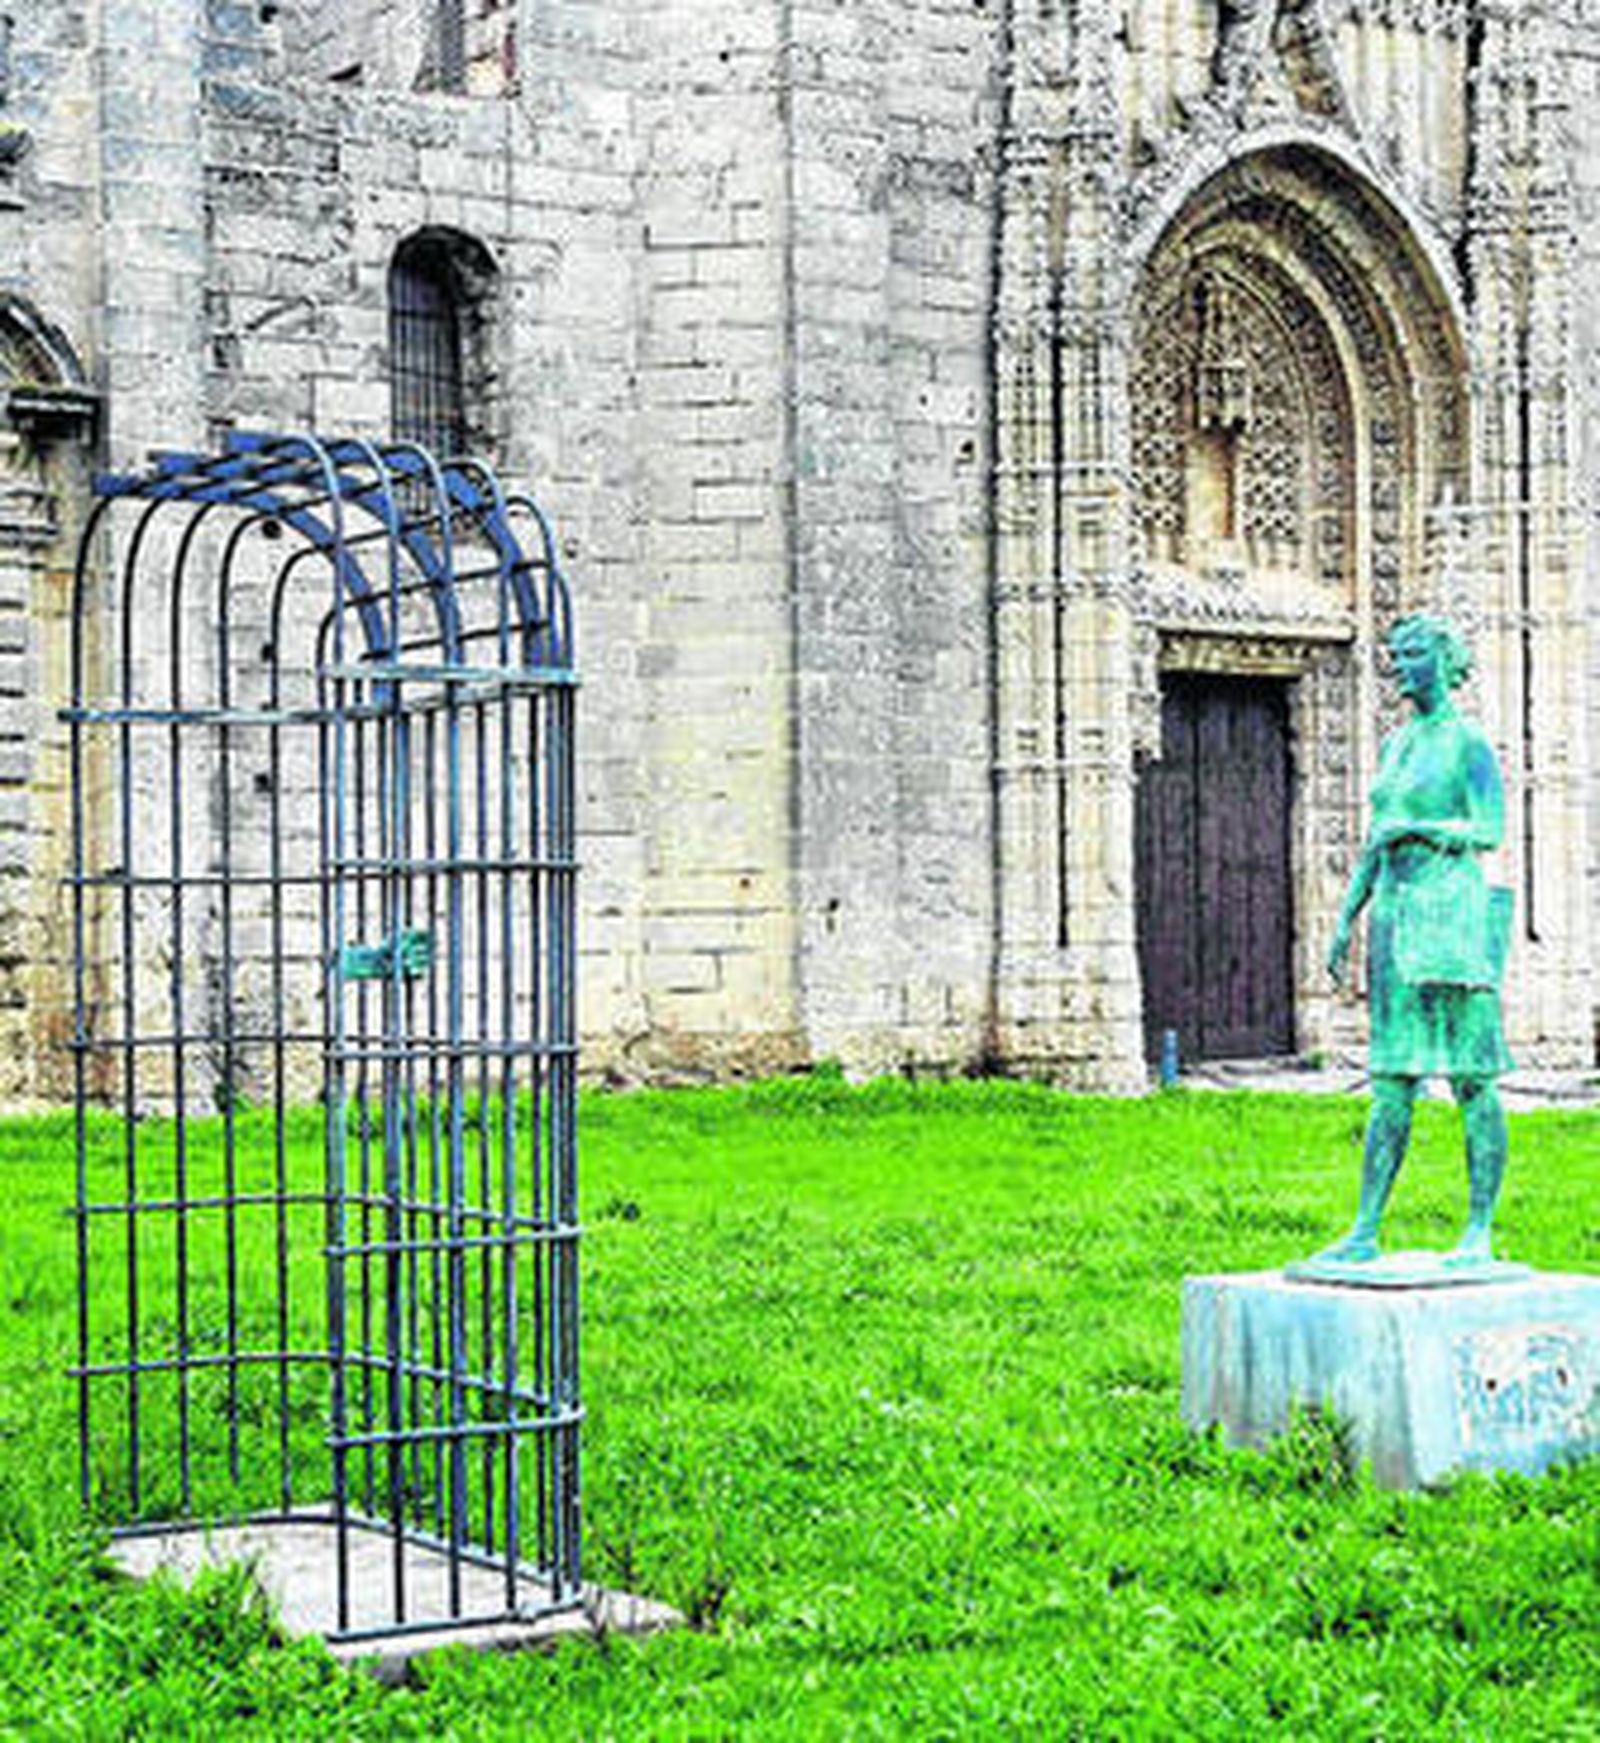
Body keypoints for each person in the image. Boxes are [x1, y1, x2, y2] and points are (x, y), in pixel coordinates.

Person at [1317, 614, 1513, 1265]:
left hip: (1452, 914)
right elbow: (1377, 835)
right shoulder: (1397, 744)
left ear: (1442, 660)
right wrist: (1347, 915)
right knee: (1392, 1079)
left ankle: (1478, 1229)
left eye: (1410, 655)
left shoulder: (1469, 743)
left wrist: (1419, 824)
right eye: (1394, 655)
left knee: (1473, 1076)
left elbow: (1488, 829)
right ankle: (1365, 1228)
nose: (1397, 666)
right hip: (1396, 916)